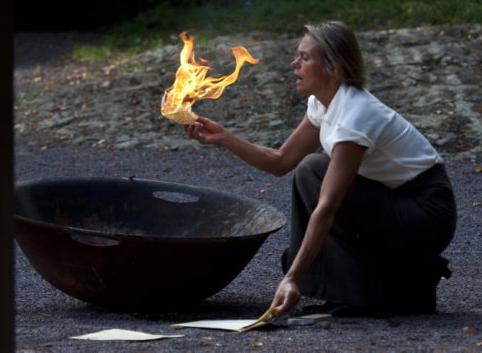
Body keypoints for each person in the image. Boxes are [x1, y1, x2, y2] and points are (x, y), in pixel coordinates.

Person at [185, 21, 456, 317]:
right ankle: (396, 283)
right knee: (307, 171)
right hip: (393, 204)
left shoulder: (356, 114)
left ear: (333, 67)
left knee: (313, 170)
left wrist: (293, 277)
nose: (294, 63)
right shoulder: (322, 104)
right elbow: (280, 161)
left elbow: (328, 206)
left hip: (425, 214)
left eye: (305, 57)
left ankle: (368, 291)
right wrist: (224, 138)